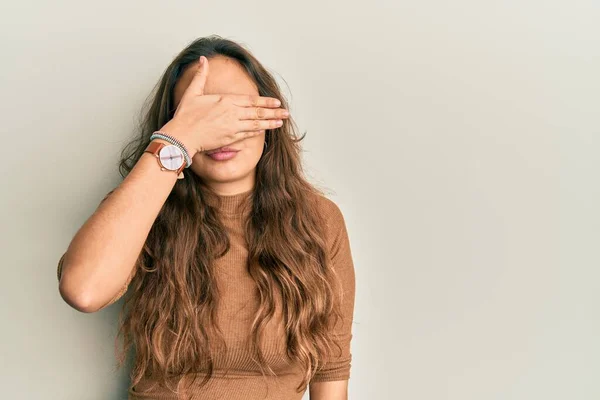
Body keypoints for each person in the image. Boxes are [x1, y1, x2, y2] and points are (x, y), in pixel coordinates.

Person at [56, 35, 356, 400]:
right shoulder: (143, 205)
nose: (222, 131)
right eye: (201, 114)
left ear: (269, 118)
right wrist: (176, 143)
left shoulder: (319, 219)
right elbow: (83, 290)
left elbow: (331, 365)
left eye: (235, 111)